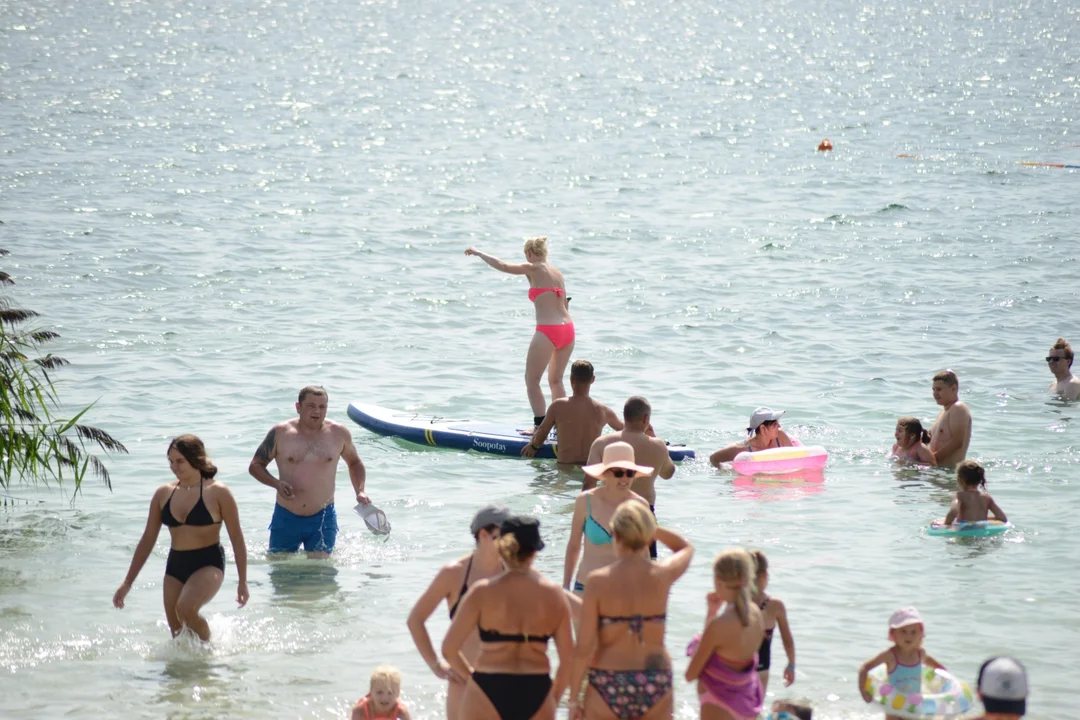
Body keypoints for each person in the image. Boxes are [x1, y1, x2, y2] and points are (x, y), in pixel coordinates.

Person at [113, 435, 249, 641]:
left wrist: (242, 581)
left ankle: (208, 654)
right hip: (176, 564)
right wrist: (127, 582)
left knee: (185, 608)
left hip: (208, 562)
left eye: (179, 461)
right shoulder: (163, 494)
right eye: (170, 461)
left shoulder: (218, 492)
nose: (174, 467)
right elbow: (148, 539)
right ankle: (185, 671)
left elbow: (237, 538)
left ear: (196, 459)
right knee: (177, 633)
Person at [567, 501, 693, 720]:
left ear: (615, 535)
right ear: (646, 536)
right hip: (655, 680)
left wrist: (573, 698)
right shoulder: (661, 575)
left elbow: (584, 647)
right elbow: (685, 548)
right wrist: (651, 529)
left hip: (609, 679)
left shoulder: (598, 581)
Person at [441, 515, 573, 720]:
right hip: (535, 687)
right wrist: (553, 698)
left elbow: (449, 649)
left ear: (502, 547)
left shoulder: (482, 592)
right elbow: (568, 660)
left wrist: (472, 679)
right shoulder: (553, 594)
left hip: (487, 687)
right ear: (535, 551)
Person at [406, 505, 511, 720]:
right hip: (464, 681)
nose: (513, 542)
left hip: (505, 679)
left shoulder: (513, 571)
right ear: (484, 535)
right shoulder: (454, 573)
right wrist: (435, 664)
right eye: (506, 535)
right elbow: (416, 620)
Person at [465, 237, 574, 430]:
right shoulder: (557, 272)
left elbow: (503, 266)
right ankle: (563, 425)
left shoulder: (533, 267)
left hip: (548, 330)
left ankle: (540, 426)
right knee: (556, 380)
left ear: (529, 253)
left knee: (531, 380)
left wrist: (479, 253)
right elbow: (564, 303)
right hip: (568, 329)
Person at [248, 386, 370, 558]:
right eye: (311, 406)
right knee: (281, 571)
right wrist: (276, 484)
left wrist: (360, 491)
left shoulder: (339, 434)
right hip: (286, 516)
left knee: (321, 574)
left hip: (323, 516)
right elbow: (255, 465)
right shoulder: (281, 433)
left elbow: (355, 462)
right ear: (298, 407)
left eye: (322, 407)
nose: (317, 411)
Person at [585, 397, 676, 558]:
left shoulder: (601, 443)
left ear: (624, 416)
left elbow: (588, 484)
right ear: (646, 419)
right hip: (644, 516)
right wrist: (655, 439)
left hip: (609, 512)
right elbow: (668, 473)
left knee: (608, 565)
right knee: (646, 567)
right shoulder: (658, 446)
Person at [686, 548, 766, 720]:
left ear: (717, 580)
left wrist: (711, 614)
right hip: (746, 701)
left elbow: (691, 674)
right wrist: (713, 611)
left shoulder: (719, 625)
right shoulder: (756, 615)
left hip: (718, 704)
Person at [566, 442, 652, 595]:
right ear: (605, 473)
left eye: (629, 473)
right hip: (585, 587)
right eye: (618, 473)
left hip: (624, 591)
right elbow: (574, 546)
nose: (624, 478)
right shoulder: (585, 501)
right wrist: (566, 586)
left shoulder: (639, 505)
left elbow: (643, 553)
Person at [521, 360, 623, 464]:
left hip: (565, 467)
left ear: (571, 379)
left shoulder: (558, 406)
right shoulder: (603, 410)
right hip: (590, 468)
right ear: (593, 379)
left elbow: (543, 431)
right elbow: (625, 430)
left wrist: (533, 447)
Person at [857, 607, 946, 720]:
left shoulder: (920, 654)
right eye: (903, 631)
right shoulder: (890, 655)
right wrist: (863, 691)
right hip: (894, 706)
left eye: (913, 632)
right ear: (893, 633)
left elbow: (941, 669)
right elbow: (865, 668)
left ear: (920, 633)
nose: (908, 636)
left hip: (913, 705)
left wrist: (945, 688)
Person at [748, 550, 796, 694]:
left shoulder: (736, 603)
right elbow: (787, 640)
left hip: (735, 667)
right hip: (761, 669)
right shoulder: (775, 605)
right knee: (754, 712)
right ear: (764, 576)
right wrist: (791, 665)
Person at [710, 408, 797, 466]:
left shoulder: (780, 436)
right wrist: (725, 470)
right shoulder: (741, 449)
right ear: (763, 428)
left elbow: (795, 460)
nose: (779, 426)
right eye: (774, 424)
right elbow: (713, 458)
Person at [928, 371, 972, 467]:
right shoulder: (944, 411)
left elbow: (957, 442)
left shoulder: (958, 408)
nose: (935, 394)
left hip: (950, 473)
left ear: (954, 388)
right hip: (938, 471)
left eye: (939, 389)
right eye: (933, 390)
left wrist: (931, 460)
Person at [943, 460, 1007, 524]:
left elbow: (953, 511)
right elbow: (1002, 518)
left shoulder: (959, 495)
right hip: (982, 531)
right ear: (980, 480)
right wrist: (983, 519)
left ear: (960, 480)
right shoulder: (987, 497)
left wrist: (946, 524)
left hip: (964, 531)